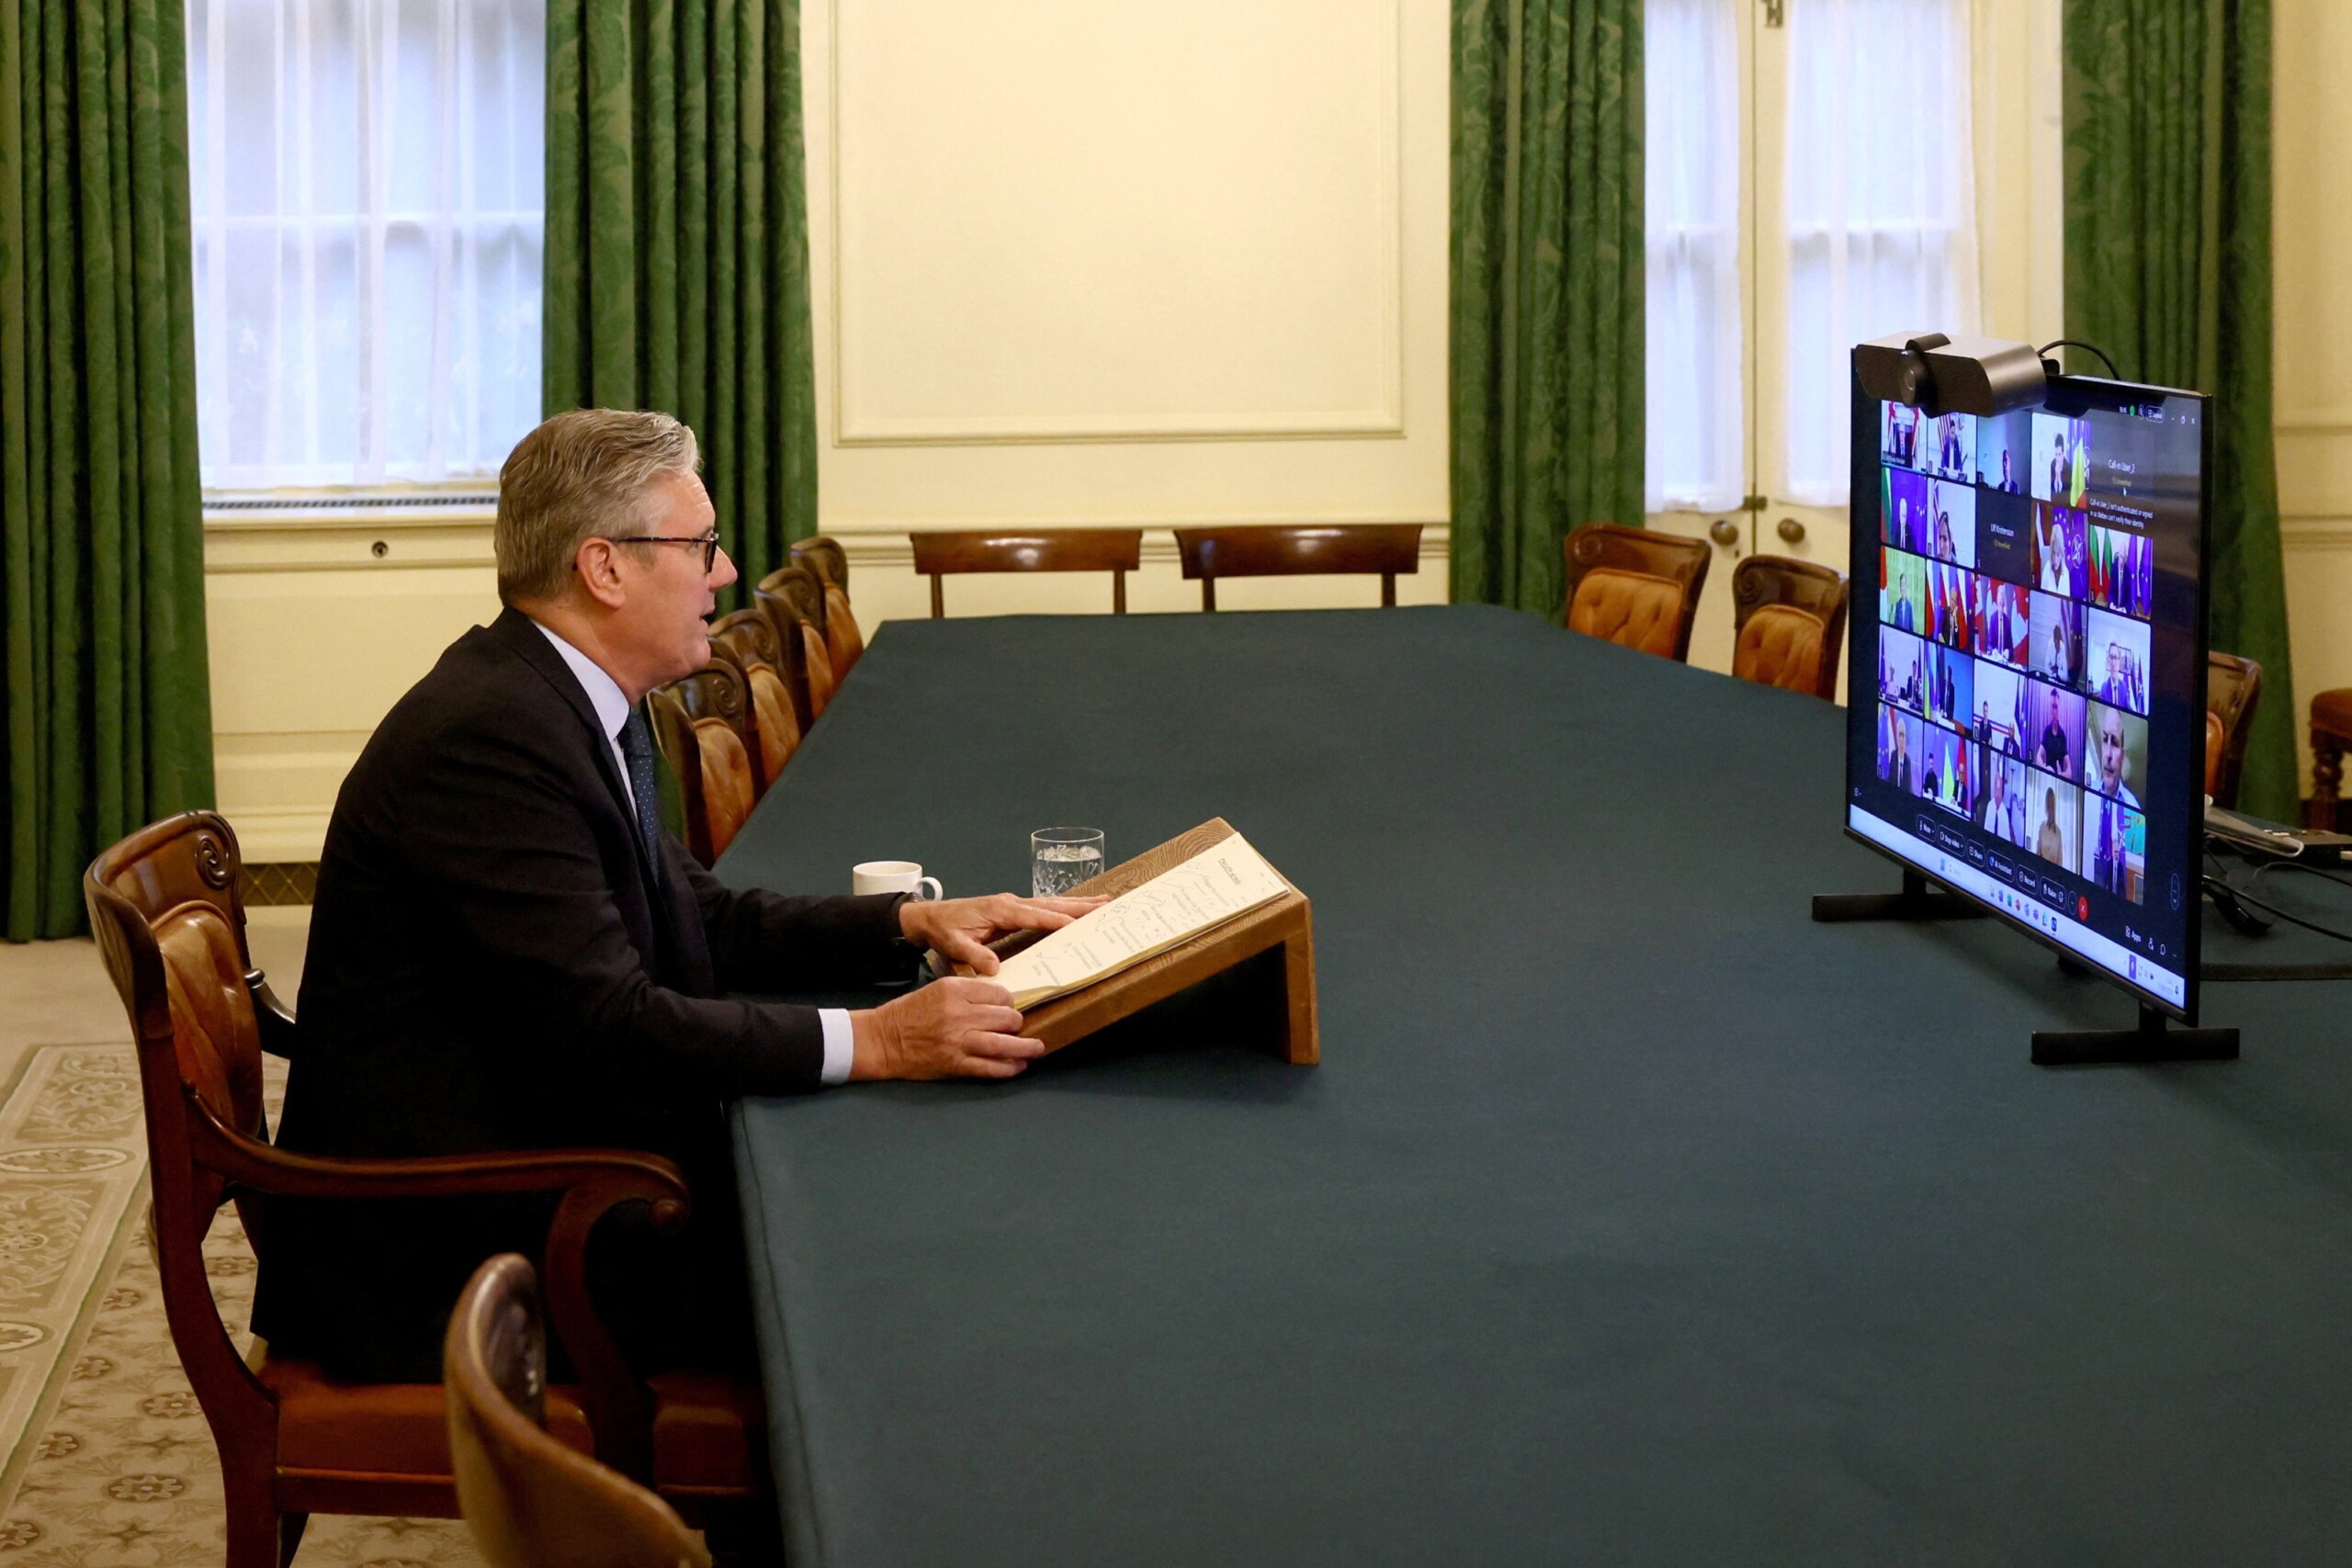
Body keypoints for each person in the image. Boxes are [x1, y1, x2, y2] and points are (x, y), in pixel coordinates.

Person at [254, 410, 1102, 1382]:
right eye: (700, 545)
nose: (724, 571)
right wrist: (880, 1041)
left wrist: (908, 922)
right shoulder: (489, 739)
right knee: (886, 1259)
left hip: (535, 1163)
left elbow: (699, 915)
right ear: (605, 567)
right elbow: (610, 1028)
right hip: (461, 1247)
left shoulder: (556, 698)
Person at [2037, 788, 2067, 867]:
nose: (2050, 811)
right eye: (2048, 806)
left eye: (2052, 807)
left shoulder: (2058, 832)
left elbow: (2060, 861)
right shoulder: (2042, 827)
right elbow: (2038, 852)